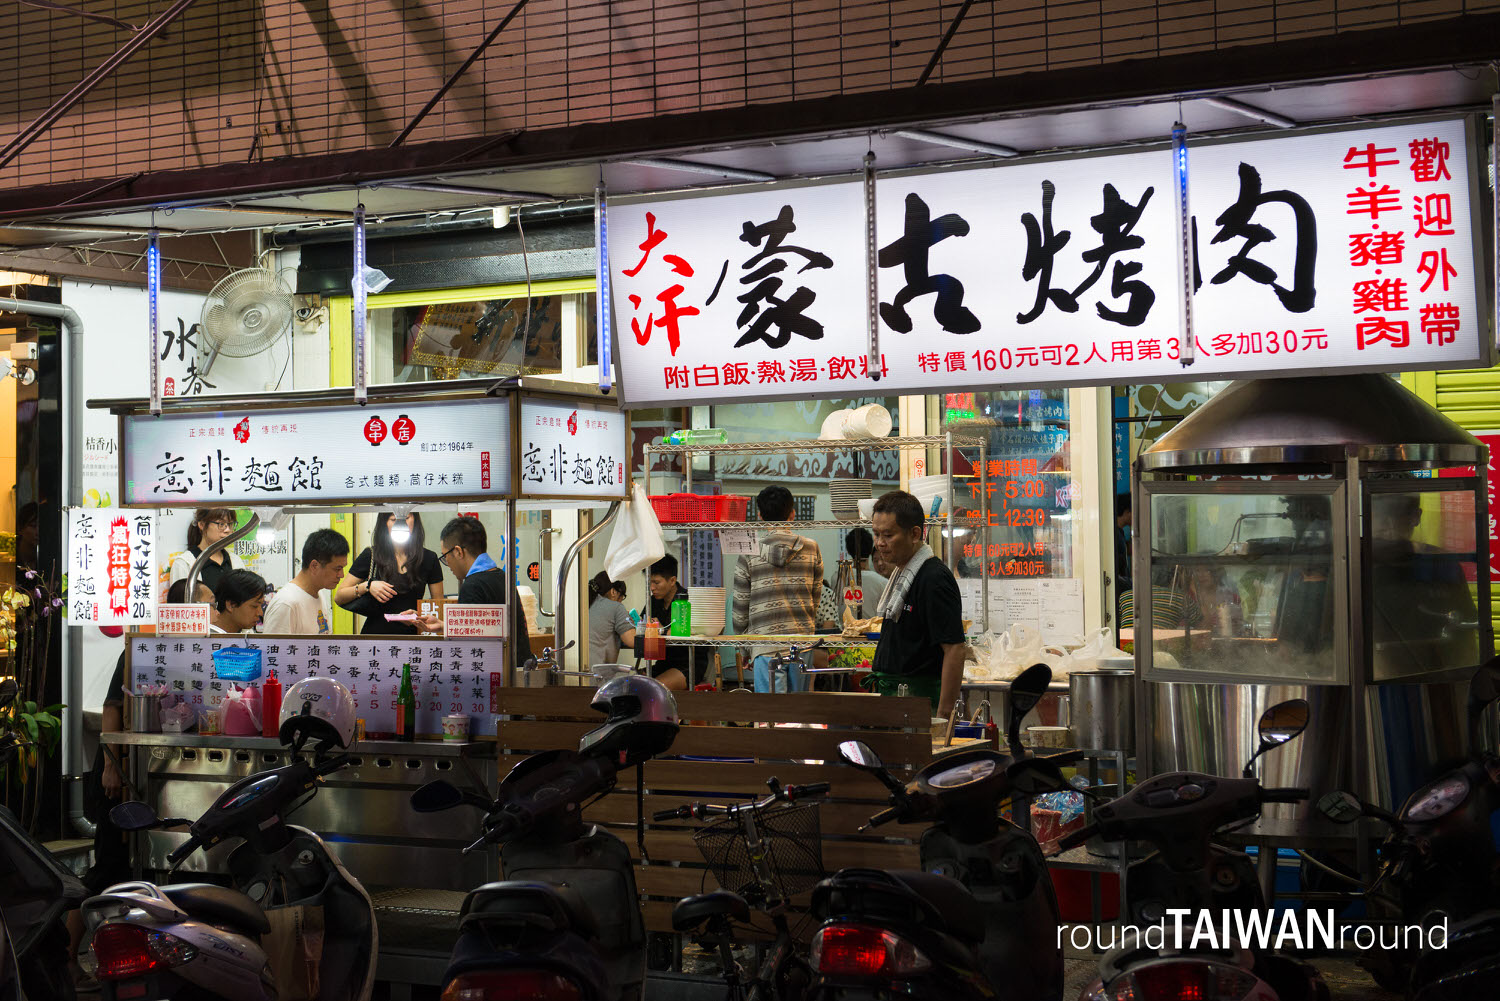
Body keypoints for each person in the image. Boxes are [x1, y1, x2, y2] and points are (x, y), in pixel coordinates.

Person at [71, 577, 212, 982]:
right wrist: (113, 767)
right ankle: (64, 955)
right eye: (206, 603)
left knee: (136, 874)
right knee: (108, 868)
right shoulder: (140, 648)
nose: (211, 610)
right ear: (184, 611)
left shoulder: (190, 652)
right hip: (121, 772)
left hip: (149, 775)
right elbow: (112, 707)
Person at [867, 489, 966, 718]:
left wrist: (943, 715)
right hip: (895, 701)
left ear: (914, 534)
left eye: (888, 535)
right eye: (876, 534)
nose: (880, 543)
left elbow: (955, 649)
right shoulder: (902, 573)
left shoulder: (933, 578)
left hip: (919, 703)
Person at [732, 485, 824, 693]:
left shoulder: (749, 551)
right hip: (802, 643)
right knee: (797, 716)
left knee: (771, 716)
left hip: (764, 645)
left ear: (760, 515)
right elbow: (815, 598)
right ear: (792, 514)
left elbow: (740, 608)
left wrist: (744, 648)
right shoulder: (811, 548)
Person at [437, 516, 532, 669]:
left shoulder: (472, 586)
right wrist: (445, 626)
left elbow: (467, 649)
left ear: (458, 552)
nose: (447, 564)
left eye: (445, 557)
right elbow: (487, 629)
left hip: (492, 676)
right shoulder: (503, 577)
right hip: (517, 671)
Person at [336, 511, 445, 635]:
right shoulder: (371, 555)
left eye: (407, 518)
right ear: (384, 524)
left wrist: (419, 616)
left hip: (413, 638)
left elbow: (438, 607)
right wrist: (368, 586)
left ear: (415, 520)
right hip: (376, 637)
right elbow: (339, 597)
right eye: (393, 520)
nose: (400, 525)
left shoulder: (429, 558)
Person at [263, 529, 349, 635]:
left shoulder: (319, 594)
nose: (341, 575)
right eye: (337, 569)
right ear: (314, 566)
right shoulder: (286, 604)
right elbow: (273, 650)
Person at [645, 554, 705, 691]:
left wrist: (662, 630)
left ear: (672, 581)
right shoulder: (653, 601)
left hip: (689, 664)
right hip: (663, 663)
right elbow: (644, 623)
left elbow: (690, 632)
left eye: (656, 582)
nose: (652, 587)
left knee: (652, 689)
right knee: (633, 684)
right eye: (650, 582)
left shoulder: (688, 601)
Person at [168, 508, 238, 592]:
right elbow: (181, 602)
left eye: (230, 524)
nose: (228, 530)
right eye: (221, 524)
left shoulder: (235, 561)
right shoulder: (184, 563)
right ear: (202, 525)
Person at [588, 571, 636, 669]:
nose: (621, 600)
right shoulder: (616, 607)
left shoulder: (583, 604)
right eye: (622, 596)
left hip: (575, 673)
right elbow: (633, 641)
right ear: (613, 592)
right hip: (597, 676)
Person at [845, 527, 890, 613]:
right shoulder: (882, 582)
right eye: (876, 560)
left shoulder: (838, 578)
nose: (880, 563)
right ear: (870, 551)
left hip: (846, 626)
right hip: (873, 626)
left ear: (848, 551)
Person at [210, 568, 270, 634]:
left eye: (261, 605)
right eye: (254, 606)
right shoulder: (204, 640)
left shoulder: (247, 634)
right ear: (230, 605)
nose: (260, 613)